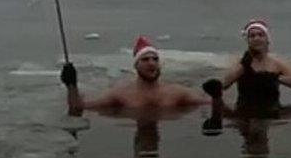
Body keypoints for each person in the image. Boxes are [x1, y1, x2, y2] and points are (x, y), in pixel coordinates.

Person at [61, 36, 211, 116]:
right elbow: (79, 107)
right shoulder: (120, 94)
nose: (151, 63)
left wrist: (216, 95)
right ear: (136, 65)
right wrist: (71, 85)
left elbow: (209, 103)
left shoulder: (177, 92)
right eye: (145, 60)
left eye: (155, 59)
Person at [202, 20, 291, 110]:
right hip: (245, 108)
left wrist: (275, 78)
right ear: (248, 41)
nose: (256, 38)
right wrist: (244, 66)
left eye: (260, 35)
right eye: (252, 36)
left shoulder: (276, 63)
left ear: (267, 40)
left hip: (272, 108)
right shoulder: (240, 63)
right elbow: (223, 85)